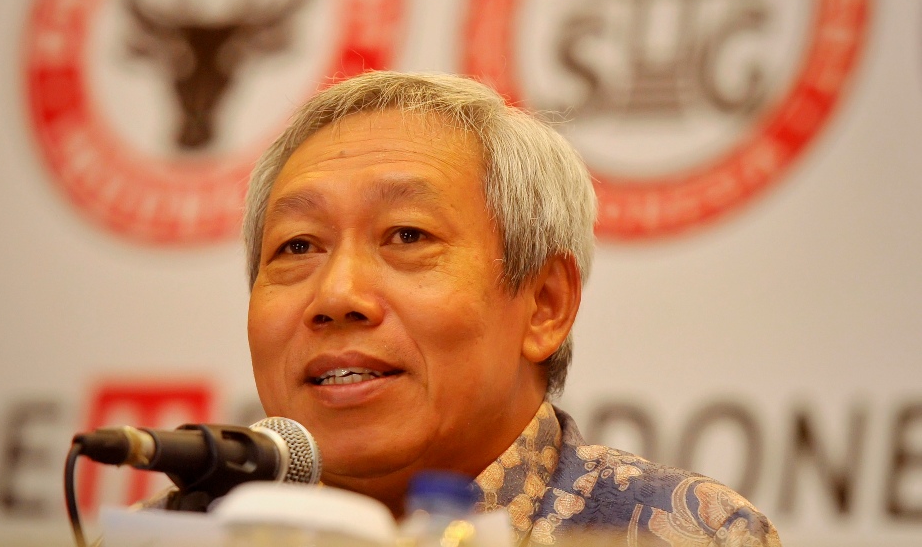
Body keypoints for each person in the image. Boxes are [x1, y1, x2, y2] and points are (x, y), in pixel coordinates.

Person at [243, 71, 781, 546]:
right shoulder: (198, 531)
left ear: (545, 304)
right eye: (297, 245)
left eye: (407, 235)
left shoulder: (681, 535)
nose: (337, 296)